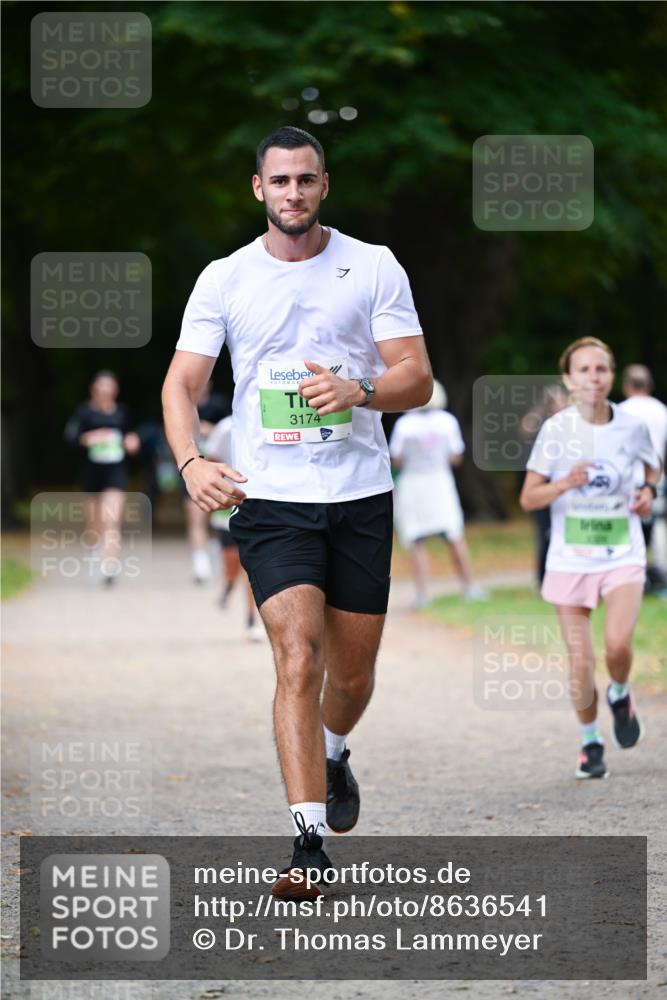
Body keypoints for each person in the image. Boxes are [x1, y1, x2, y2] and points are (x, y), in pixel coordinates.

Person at [162, 126, 432, 897]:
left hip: (357, 496)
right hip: (268, 496)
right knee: (296, 659)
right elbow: (181, 385)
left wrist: (362, 390)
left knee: (350, 675)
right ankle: (307, 841)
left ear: (324, 185)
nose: (292, 194)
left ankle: (337, 749)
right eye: (278, 181)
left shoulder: (371, 266)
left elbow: (416, 376)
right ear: (258, 188)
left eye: (305, 180)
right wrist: (191, 462)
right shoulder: (224, 278)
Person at [520, 338, 661, 779]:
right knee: (580, 660)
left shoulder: (632, 426)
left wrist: (648, 491)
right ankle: (590, 743)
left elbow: (651, 466)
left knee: (618, 644)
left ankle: (619, 692)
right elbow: (528, 498)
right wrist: (564, 484)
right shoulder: (556, 430)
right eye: (583, 370)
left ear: (611, 376)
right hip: (570, 559)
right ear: (569, 379)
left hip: (622, 551)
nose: (593, 378)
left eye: (600, 369)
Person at [389, 380, 485, 607]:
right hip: (440, 482)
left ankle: (423, 593)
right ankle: (469, 586)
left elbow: (397, 459)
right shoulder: (447, 422)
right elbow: (456, 456)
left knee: (415, 540)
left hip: (413, 484)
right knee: (454, 534)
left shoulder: (404, 425)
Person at [64, 371, 141, 586]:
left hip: (115, 472)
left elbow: (130, 435)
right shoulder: (84, 412)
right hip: (91, 473)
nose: (105, 391)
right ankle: (93, 552)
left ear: (115, 390)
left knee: (112, 519)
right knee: (94, 523)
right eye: (101, 387)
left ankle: (109, 564)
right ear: (94, 389)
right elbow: (71, 438)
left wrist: (132, 442)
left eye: (109, 387)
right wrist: (87, 438)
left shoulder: (122, 413)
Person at [205, 414, 264, 642]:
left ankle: (251, 619)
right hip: (228, 502)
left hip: (258, 501)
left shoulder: (274, 421)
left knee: (250, 565)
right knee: (232, 563)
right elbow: (211, 459)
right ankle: (228, 586)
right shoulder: (226, 428)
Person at [619, 364, 667, 593]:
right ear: (650, 384)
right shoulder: (661, 410)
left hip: (626, 481)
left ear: (627, 385)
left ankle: (631, 578)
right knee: (654, 528)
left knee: (627, 531)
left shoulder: (620, 411)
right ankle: (653, 577)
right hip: (655, 480)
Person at [183, 381, 229, 583]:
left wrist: (213, 430)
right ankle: (200, 565)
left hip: (220, 470)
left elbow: (232, 430)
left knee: (217, 519)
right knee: (196, 519)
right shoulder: (182, 405)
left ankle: (220, 555)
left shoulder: (219, 405)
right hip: (193, 468)